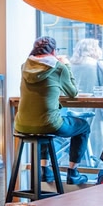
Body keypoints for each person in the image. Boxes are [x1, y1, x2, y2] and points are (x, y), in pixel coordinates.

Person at [14, 36, 92, 185]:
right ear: (54, 51)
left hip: (21, 125)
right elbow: (73, 93)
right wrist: (67, 65)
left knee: (44, 121)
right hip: (47, 124)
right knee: (83, 126)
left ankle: (45, 170)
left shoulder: (24, 66)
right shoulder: (58, 67)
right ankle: (73, 172)